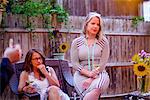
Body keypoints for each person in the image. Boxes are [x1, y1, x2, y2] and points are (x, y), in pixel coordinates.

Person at [70, 12, 110, 100]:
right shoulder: (76, 42)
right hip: (81, 75)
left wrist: (91, 78)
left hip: (99, 74)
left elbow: (103, 64)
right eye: (93, 23)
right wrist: (88, 74)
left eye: (98, 24)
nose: (95, 26)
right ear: (86, 24)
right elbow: (75, 63)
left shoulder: (103, 41)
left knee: (97, 88)